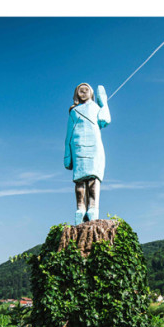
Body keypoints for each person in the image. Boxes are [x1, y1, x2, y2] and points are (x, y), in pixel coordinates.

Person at [64, 82, 111, 224]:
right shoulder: (73, 111)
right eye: (80, 91)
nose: (83, 93)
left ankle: (93, 208)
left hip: (94, 145)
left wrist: (103, 102)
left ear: (91, 92)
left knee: (92, 179)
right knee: (79, 181)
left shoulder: (96, 107)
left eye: (86, 90)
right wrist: (67, 154)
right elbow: (68, 134)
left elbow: (105, 120)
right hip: (77, 146)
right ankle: (80, 208)